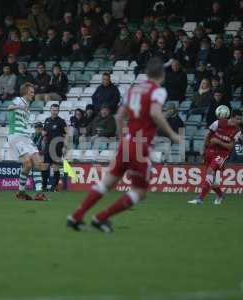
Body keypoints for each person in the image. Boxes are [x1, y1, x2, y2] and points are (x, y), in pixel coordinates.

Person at [67, 57, 182, 233]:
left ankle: (76, 216)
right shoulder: (157, 91)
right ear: (162, 74)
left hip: (127, 142)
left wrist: (122, 138)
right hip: (141, 146)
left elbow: (119, 116)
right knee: (140, 191)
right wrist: (172, 134)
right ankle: (101, 218)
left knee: (106, 183)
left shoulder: (134, 89)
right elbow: (155, 113)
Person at [189, 110, 242, 205]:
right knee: (211, 177)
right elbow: (207, 135)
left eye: (240, 119)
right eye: (237, 118)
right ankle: (220, 195)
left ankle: (200, 199)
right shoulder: (218, 123)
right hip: (210, 151)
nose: (238, 121)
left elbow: (230, 147)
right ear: (232, 117)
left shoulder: (237, 131)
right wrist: (203, 148)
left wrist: (218, 141)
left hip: (222, 155)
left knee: (210, 171)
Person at [7, 82, 47, 201]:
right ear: (25, 92)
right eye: (31, 92)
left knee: (38, 162)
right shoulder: (18, 100)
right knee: (28, 164)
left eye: (33, 92)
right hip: (15, 136)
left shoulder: (28, 106)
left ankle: (39, 193)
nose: (33, 94)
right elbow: (9, 108)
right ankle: (21, 192)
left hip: (25, 137)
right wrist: (19, 107)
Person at [42, 104, 67, 191]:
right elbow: (44, 132)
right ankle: (44, 187)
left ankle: (55, 187)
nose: (54, 112)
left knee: (55, 166)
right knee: (45, 166)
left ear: (58, 111)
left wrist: (64, 146)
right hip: (48, 146)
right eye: (53, 110)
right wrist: (43, 135)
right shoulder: (47, 120)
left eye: (56, 110)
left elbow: (66, 134)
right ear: (50, 110)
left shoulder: (61, 121)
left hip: (57, 146)